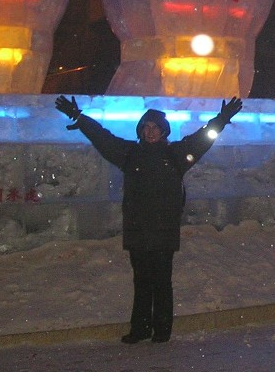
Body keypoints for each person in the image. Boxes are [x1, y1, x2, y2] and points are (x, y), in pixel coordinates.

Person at [55, 94, 243, 343]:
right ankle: (141, 328)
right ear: (141, 130)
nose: (150, 131)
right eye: (146, 127)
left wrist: (221, 119)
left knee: (162, 281)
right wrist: (79, 117)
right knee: (142, 281)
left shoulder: (177, 154)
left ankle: (162, 330)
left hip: (163, 229)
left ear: (164, 131)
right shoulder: (129, 154)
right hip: (138, 228)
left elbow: (202, 139)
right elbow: (103, 138)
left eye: (155, 127)